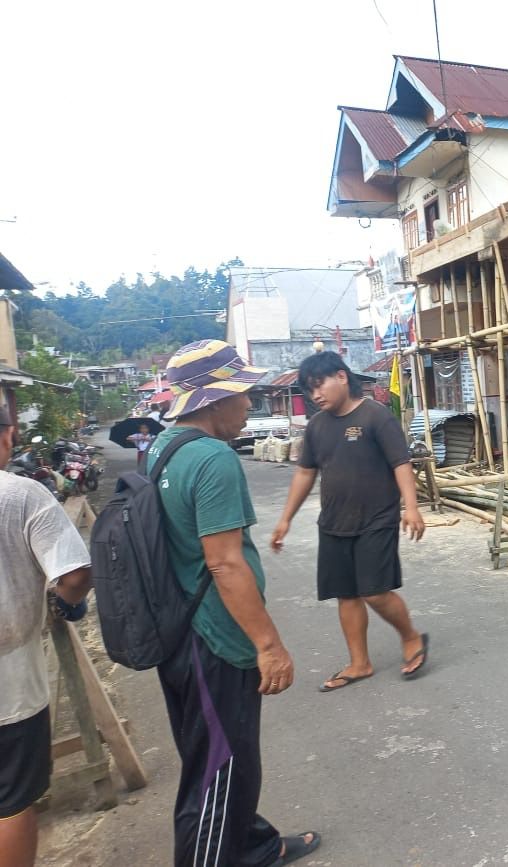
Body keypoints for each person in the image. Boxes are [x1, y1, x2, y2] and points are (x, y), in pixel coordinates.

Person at [151, 340, 320, 866]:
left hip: (179, 631)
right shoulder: (212, 458)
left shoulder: (162, 448)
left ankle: (254, 846)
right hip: (214, 638)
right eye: (242, 392)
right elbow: (224, 563)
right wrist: (268, 645)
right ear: (214, 399)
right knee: (217, 771)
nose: (248, 402)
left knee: (226, 761)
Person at [271, 350, 428, 691]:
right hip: (333, 522)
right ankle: (360, 663)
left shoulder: (376, 416)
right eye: (310, 389)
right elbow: (305, 473)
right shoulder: (316, 426)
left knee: (375, 592)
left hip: (377, 519)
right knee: (346, 594)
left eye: (320, 385)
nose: (315, 395)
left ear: (341, 377)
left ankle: (410, 636)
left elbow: (400, 463)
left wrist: (411, 507)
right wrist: (285, 519)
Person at [0, 403, 92, 867]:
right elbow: (74, 574)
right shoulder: (21, 495)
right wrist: (66, 603)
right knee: (11, 801)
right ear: (8, 434)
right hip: (10, 688)